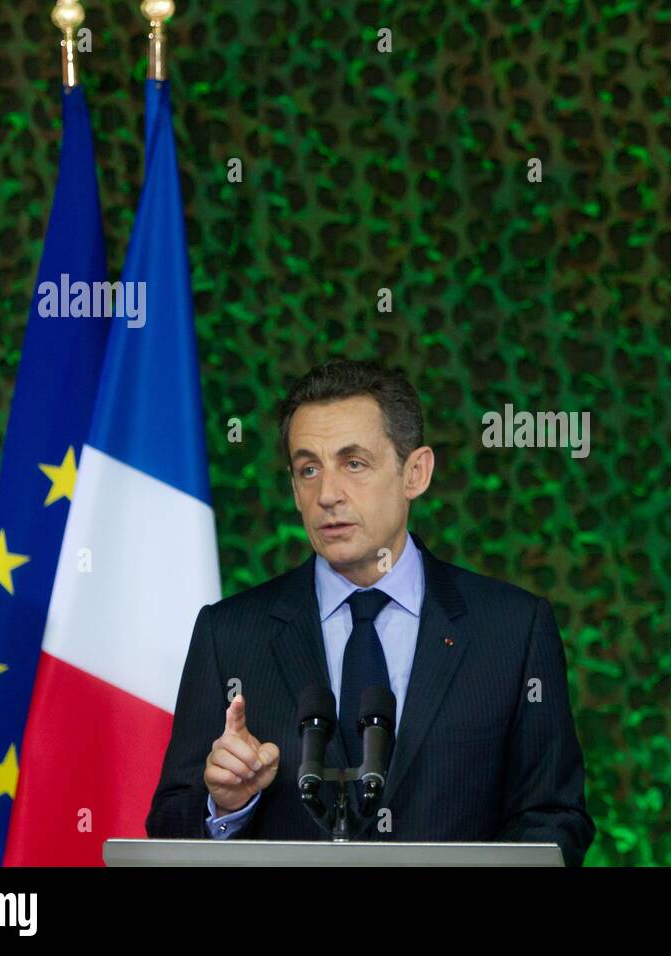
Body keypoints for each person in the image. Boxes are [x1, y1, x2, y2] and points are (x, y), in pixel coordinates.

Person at [145, 359, 595, 866]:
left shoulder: (512, 629)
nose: (328, 494)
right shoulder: (228, 634)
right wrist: (226, 804)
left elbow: (555, 817)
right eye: (308, 469)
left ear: (415, 473)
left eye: (353, 463)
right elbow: (168, 824)